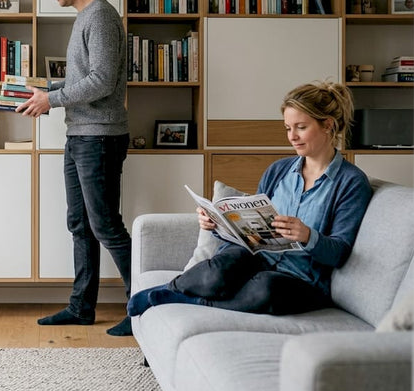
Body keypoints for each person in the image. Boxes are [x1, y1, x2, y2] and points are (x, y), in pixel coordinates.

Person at [127, 81, 373, 317]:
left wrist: (307, 236)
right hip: (258, 259)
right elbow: (249, 232)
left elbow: (339, 252)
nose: (292, 137)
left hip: (302, 279)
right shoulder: (279, 170)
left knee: (265, 288)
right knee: (222, 266)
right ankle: (168, 290)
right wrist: (218, 225)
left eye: (301, 127)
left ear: (328, 125)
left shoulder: (351, 182)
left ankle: (194, 299)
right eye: (288, 128)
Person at [17, 0, 132, 336]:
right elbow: (86, 78)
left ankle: (143, 308)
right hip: (80, 135)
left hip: (98, 138)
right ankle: (81, 307)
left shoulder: (99, 17)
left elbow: (100, 82)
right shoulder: (86, 17)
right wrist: (43, 90)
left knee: (106, 227)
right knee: (79, 224)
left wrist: (52, 98)